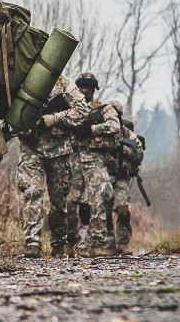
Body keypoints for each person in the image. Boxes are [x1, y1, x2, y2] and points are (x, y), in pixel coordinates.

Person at [16, 75, 88, 258]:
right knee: (32, 192)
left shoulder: (64, 84)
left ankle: (58, 243)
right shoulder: (22, 80)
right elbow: (10, 113)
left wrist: (55, 118)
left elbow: (82, 111)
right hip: (31, 148)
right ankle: (32, 243)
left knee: (58, 202)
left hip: (59, 150)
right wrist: (20, 126)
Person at [67, 72, 119, 256]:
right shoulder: (70, 106)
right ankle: (71, 242)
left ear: (94, 89)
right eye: (81, 86)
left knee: (98, 201)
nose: (84, 89)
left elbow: (115, 125)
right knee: (70, 202)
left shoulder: (103, 108)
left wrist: (91, 130)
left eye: (88, 86)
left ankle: (98, 243)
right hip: (72, 160)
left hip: (94, 160)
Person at [106, 100, 144, 254]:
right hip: (104, 178)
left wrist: (126, 151)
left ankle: (123, 243)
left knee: (123, 211)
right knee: (104, 212)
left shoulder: (128, 134)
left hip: (122, 178)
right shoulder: (103, 131)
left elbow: (139, 154)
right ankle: (108, 245)